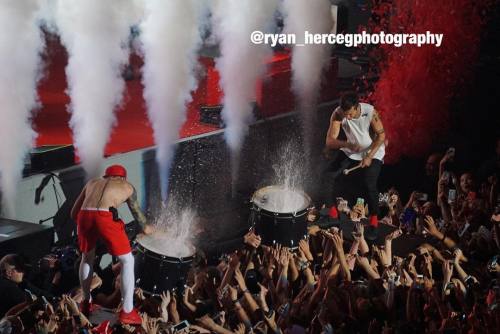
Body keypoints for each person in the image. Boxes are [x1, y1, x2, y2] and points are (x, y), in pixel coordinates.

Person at [70, 164, 152, 324]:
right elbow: (143, 224)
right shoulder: (127, 186)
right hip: (104, 216)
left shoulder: (92, 182)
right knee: (127, 260)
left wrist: (91, 224)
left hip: (84, 215)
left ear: (106, 176)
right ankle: (128, 311)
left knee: (87, 257)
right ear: (122, 178)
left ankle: (86, 302)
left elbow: (73, 213)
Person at [324, 92, 386, 229]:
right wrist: (347, 145)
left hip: (373, 151)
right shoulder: (338, 114)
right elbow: (329, 141)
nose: (348, 117)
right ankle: (332, 212)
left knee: (369, 182)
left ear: (357, 107)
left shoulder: (370, 111)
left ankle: (374, 218)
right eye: (346, 114)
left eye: (350, 114)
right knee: (328, 176)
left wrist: (369, 156)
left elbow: (381, 136)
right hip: (352, 150)